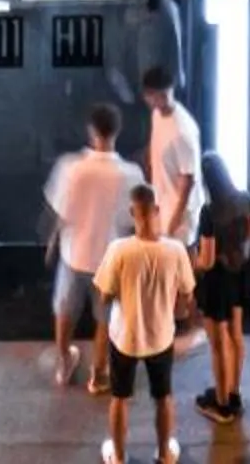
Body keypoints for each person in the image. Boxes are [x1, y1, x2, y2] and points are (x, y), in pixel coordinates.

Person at [93, 183, 199, 464]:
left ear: (132, 212)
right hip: (161, 337)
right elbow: (187, 296)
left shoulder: (118, 250)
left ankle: (117, 456)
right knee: (163, 397)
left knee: (120, 398)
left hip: (125, 338)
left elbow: (103, 296)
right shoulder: (175, 250)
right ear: (157, 210)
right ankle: (165, 454)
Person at [44, 104, 142, 390]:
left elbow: (60, 212)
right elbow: (132, 219)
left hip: (73, 253)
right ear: (117, 131)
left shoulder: (71, 167)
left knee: (65, 310)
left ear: (91, 130)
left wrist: (52, 242)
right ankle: (98, 374)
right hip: (108, 257)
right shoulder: (130, 174)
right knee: (105, 318)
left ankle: (64, 361)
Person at [191, 151, 250, 423]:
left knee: (219, 343)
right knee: (236, 336)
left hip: (217, 280)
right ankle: (233, 392)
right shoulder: (245, 198)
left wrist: (192, 264)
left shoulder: (209, 213)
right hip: (240, 273)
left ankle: (220, 404)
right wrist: (237, 255)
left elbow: (206, 259)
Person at [140, 62, 202, 246]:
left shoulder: (182, 131)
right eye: (156, 95)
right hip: (162, 203)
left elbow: (187, 181)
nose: (160, 100)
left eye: (164, 94)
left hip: (180, 216)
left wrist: (173, 224)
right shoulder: (157, 115)